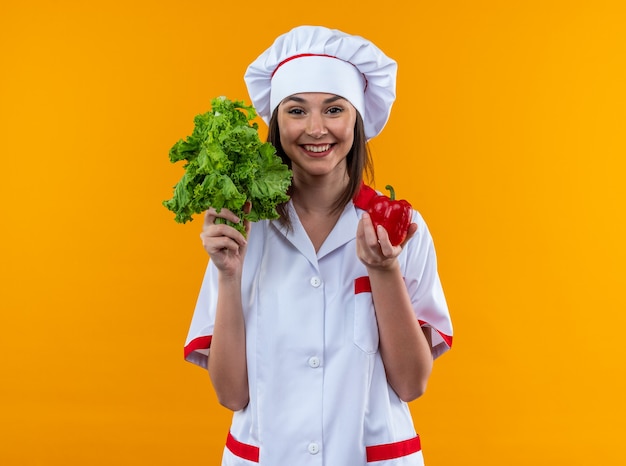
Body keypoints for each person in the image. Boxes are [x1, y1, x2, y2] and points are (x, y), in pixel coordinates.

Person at [183, 25, 453, 466]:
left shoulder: (400, 227)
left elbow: (411, 385)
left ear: (356, 120)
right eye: (295, 111)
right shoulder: (243, 227)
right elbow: (231, 395)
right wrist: (229, 276)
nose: (315, 129)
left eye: (333, 109)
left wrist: (383, 272)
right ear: (276, 123)